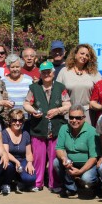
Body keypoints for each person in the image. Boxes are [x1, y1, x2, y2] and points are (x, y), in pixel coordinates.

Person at [23, 61, 71, 192]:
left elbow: (68, 104)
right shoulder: (34, 87)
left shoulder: (61, 87)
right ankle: (37, 183)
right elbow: (26, 104)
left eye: (48, 71)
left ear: (53, 72)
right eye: (43, 72)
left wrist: (58, 110)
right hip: (39, 127)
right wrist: (33, 111)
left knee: (54, 156)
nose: (46, 74)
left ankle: (54, 183)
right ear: (40, 74)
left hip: (56, 127)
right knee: (38, 157)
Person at [54, 105, 100, 198]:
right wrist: (64, 158)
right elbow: (59, 148)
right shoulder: (64, 128)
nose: (74, 120)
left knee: (87, 178)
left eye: (78, 118)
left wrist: (80, 172)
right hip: (71, 163)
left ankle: (97, 185)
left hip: (88, 164)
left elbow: (93, 158)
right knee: (56, 162)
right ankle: (71, 188)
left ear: (84, 117)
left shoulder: (91, 131)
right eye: (71, 117)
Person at [56, 43, 102, 124]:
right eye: (82, 53)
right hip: (69, 114)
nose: (84, 57)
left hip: (88, 114)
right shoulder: (64, 71)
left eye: (87, 55)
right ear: (75, 55)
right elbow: (56, 92)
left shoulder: (94, 73)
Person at [1, 109, 36, 194]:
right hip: (10, 160)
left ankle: (19, 181)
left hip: (22, 159)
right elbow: (6, 152)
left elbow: (28, 153)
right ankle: (6, 183)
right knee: (8, 166)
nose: (17, 123)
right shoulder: (5, 133)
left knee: (30, 178)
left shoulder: (25, 134)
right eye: (14, 120)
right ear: (10, 121)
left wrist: (29, 163)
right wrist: (16, 161)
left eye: (20, 120)